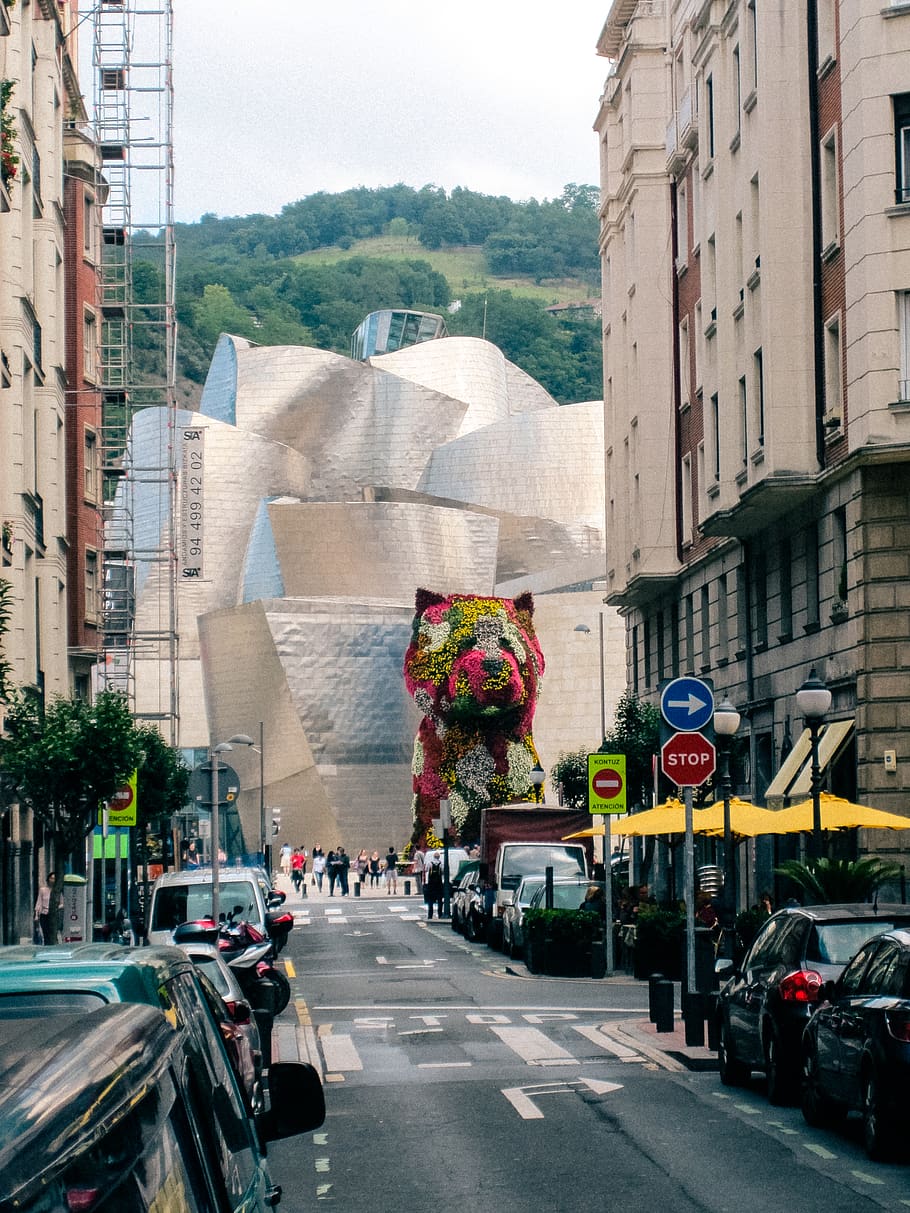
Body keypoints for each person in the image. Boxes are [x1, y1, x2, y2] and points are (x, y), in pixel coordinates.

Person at [34, 872, 58, 945]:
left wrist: (56, 908)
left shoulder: (57, 891)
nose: (52, 880)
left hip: (53, 915)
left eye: (54, 879)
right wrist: (36, 915)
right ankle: (46, 945)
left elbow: (62, 903)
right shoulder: (42, 890)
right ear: (48, 879)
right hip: (44, 914)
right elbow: (39, 902)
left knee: (53, 933)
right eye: (51, 878)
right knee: (45, 932)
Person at [424, 855, 444, 919]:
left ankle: (430, 915)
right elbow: (443, 872)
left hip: (431, 884)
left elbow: (426, 869)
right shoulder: (441, 864)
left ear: (433, 857)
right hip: (439, 884)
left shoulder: (430, 863)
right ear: (439, 857)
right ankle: (440, 914)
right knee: (440, 900)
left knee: (430, 900)